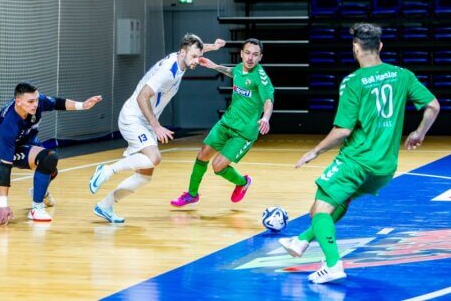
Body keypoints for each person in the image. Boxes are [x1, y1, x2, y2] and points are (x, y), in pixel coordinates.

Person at [279, 23, 440, 284]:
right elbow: (433, 106)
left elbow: (342, 130)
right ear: (380, 46)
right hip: (385, 168)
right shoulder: (402, 74)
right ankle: (301, 242)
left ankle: (333, 265)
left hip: (356, 160)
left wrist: (315, 151)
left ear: (355, 48)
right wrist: (419, 133)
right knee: (340, 202)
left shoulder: (353, 82)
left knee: (319, 210)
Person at [88, 33, 226, 223]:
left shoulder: (181, 58)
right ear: (183, 52)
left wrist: (213, 47)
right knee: (154, 158)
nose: (197, 61)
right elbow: (142, 97)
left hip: (144, 121)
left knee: (144, 176)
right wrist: (157, 126)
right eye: (194, 57)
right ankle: (106, 170)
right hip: (134, 117)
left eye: (198, 56)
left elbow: (195, 49)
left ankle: (104, 206)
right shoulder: (168, 72)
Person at [170, 38, 274, 207]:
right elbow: (233, 72)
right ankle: (192, 194)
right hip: (226, 123)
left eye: (255, 55)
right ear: (241, 53)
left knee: (217, 166)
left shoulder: (261, 78)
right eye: (247, 53)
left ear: (260, 57)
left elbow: (268, 100)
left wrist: (266, 117)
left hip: (244, 132)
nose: (250, 58)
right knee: (202, 155)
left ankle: (242, 182)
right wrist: (214, 66)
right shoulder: (240, 68)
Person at [0, 81, 102, 225]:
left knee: (52, 170)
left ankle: (38, 191)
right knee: (49, 158)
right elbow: (4, 168)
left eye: (36, 100)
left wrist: (83, 105)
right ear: (18, 101)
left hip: (28, 140)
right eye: (30, 101)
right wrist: (3, 206)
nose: (35, 104)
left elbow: (57, 103)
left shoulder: (37, 102)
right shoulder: (9, 124)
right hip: (12, 147)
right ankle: (36, 208)